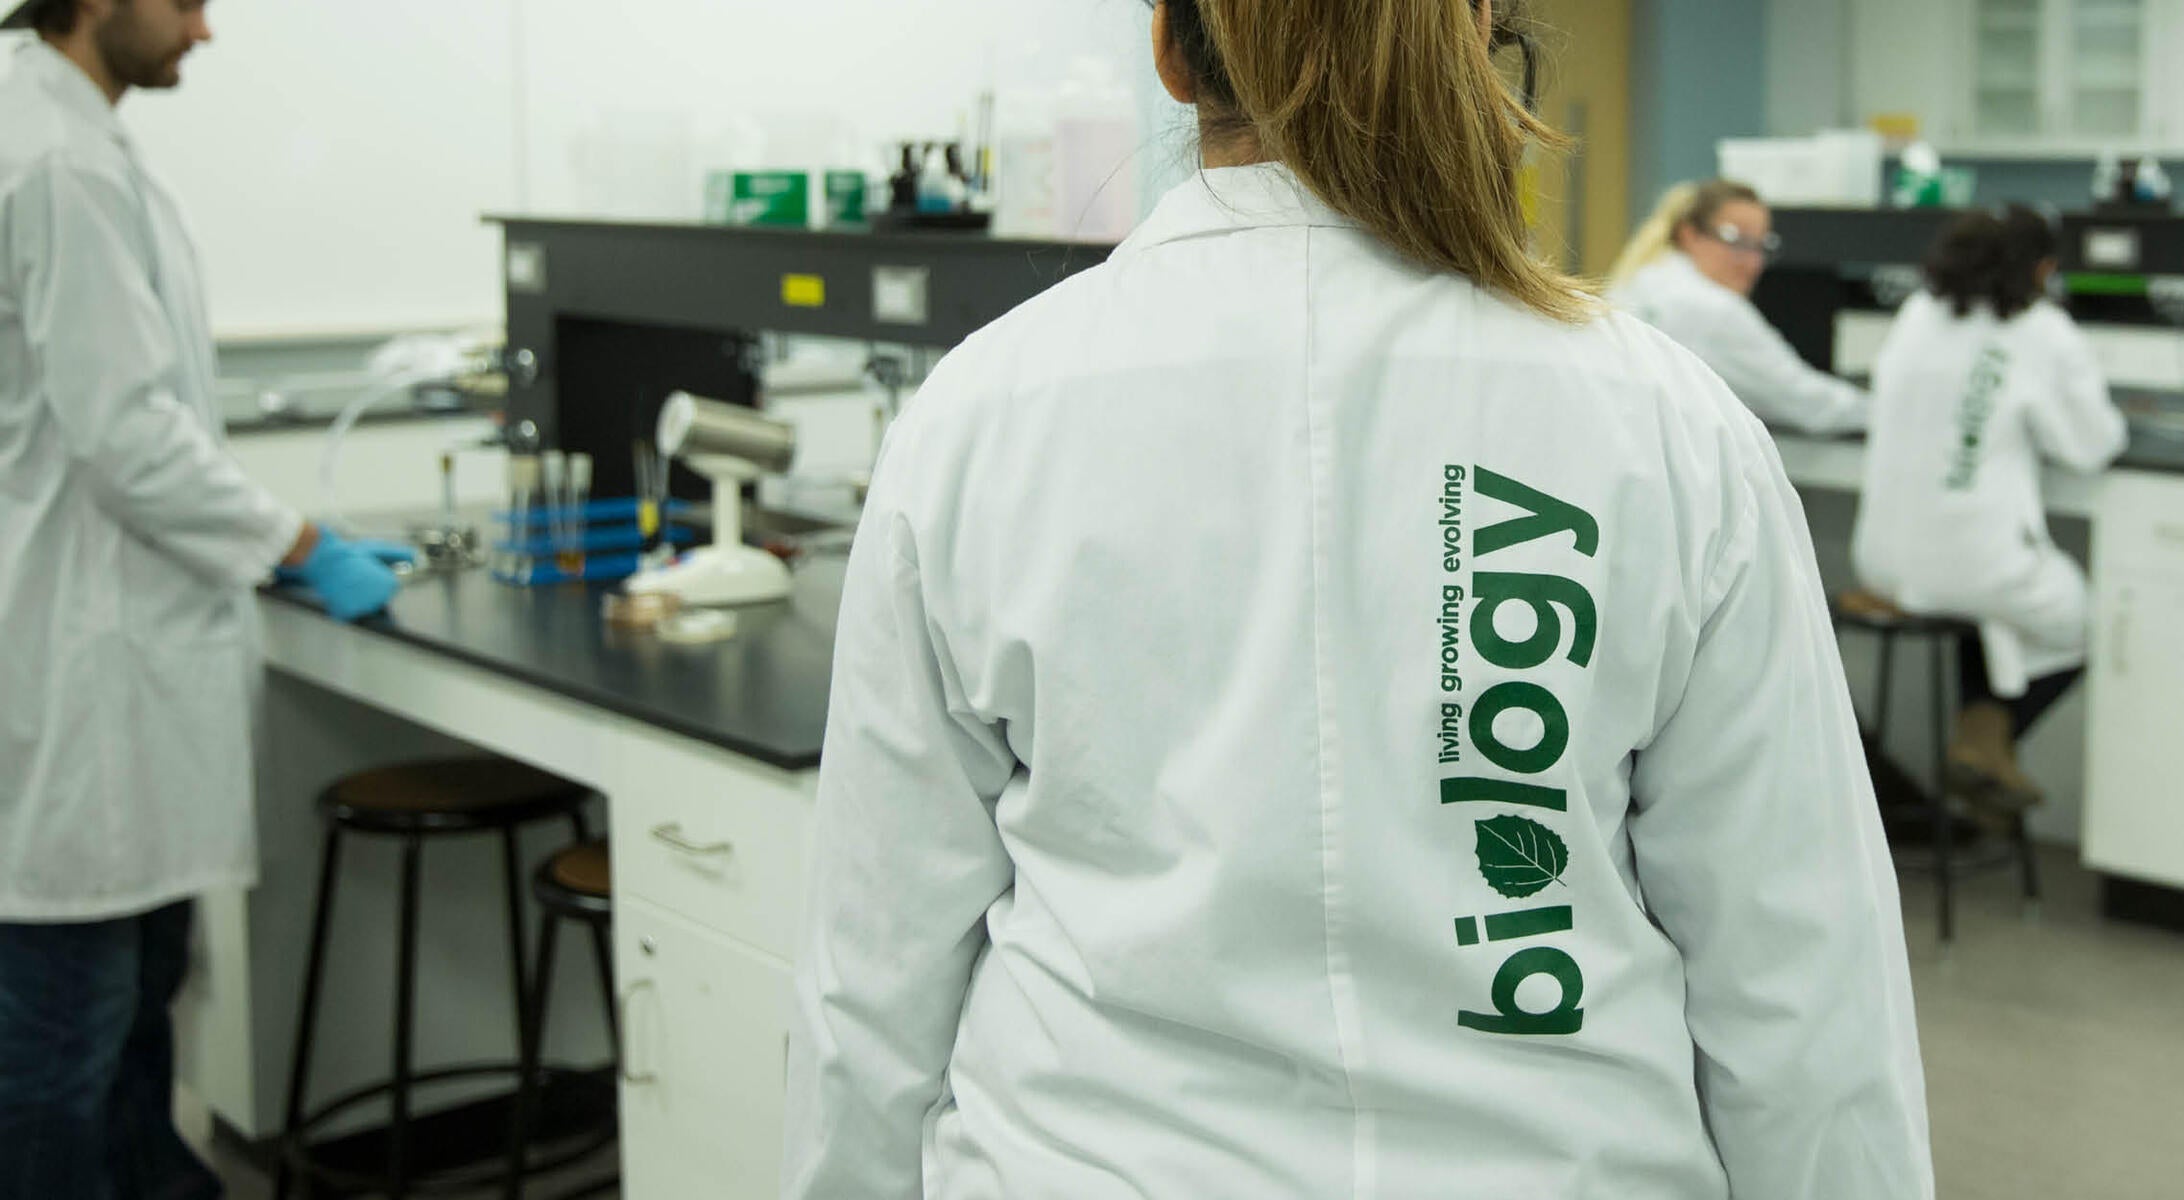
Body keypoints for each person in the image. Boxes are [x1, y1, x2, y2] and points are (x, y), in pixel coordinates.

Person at [782, 0, 1930, 1196]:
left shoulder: (979, 417)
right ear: (1478, 32)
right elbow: (1801, 981)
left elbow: (873, 972)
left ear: (1172, 53)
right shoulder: (1666, 425)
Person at [0, 0, 408, 1191]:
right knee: (64, 1047)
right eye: (184, 3)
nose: (206, 31)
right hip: (79, 669)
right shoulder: (58, 160)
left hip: (102, 653)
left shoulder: (66, 132)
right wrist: (300, 540)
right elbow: (128, 437)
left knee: (124, 1026)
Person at [1850, 206, 2125, 803]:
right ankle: (1982, 738)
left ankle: (1981, 749)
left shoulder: (1917, 313)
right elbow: (2091, 447)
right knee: (2081, 615)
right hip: (1971, 564)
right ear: (2044, 269)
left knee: (1994, 610)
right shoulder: (2044, 329)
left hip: (1881, 560)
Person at [1605, 179, 1870, 435]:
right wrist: (1881, 410)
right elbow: (1804, 400)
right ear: (1689, 235)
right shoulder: (1712, 308)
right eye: (1737, 241)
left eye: (1761, 246)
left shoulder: (1639, 280)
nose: (1753, 263)